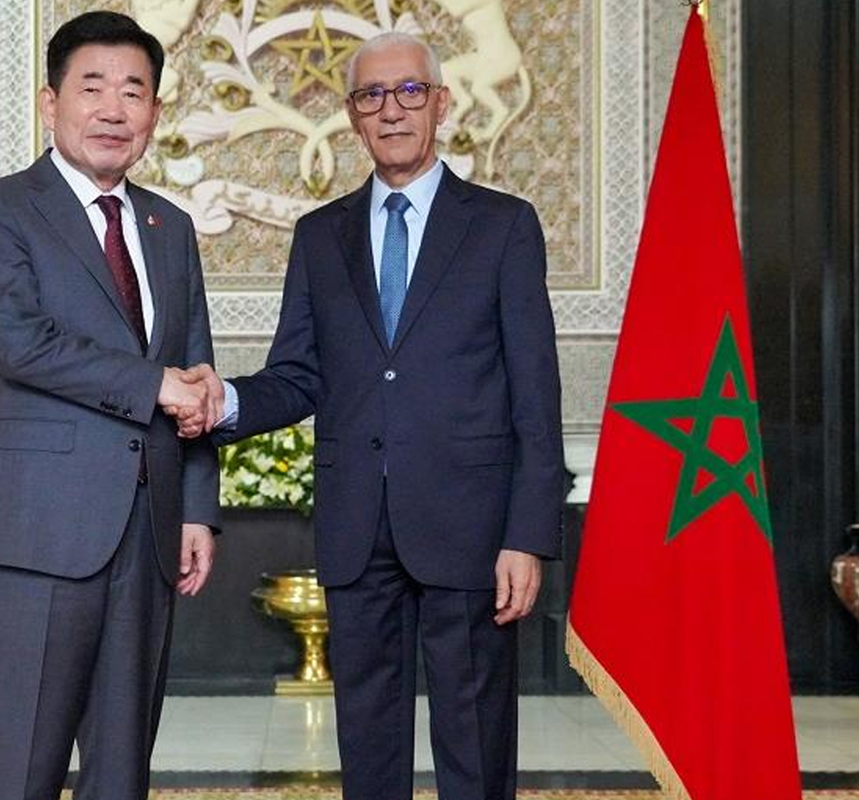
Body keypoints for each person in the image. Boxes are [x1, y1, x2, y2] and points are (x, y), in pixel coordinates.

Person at [188, 31, 565, 800]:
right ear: (353, 115)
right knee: (367, 744)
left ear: (442, 104)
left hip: (472, 529)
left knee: (475, 742)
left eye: (409, 91)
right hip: (357, 529)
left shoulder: (503, 226)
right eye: (371, 95)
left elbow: (536, 393)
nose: (391, 110)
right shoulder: (319, 236)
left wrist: (527, 536)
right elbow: (297, 375)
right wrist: (222, 399)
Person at [0, 11, 221, 800]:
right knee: (23, 769)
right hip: (38, 536)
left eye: (133, 92)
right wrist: (154, 384)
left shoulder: (169, 227)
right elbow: (21, 344)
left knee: (122, 771)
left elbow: (196, 368)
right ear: (50, 102)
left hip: (148, 534)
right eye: (92, 88)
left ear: (154, 114)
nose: (113, 109)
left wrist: (197, 508)